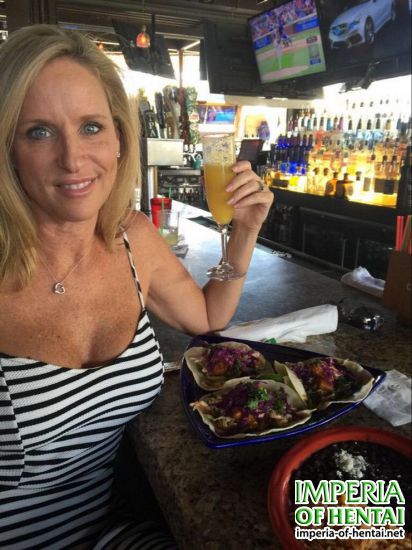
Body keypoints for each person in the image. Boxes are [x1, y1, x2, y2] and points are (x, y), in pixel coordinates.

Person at [0, 24, 273, 549]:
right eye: (39, 132)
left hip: (109, 534)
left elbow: (208, 318)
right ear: (7, 147)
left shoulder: (130, 237)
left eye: (91, 127)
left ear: (120, 138)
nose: (73, 158)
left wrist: (244, 233)